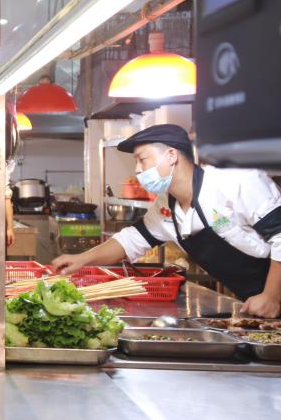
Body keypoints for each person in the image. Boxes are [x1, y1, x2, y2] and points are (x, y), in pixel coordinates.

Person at [52, 124, 281, 318]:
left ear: (171, 155)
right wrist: (81, 259)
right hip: (257, 302)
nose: (137, 170)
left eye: (142, 160)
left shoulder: (236, 181)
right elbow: (130, 240)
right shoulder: (166, 205)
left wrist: (271, 295)